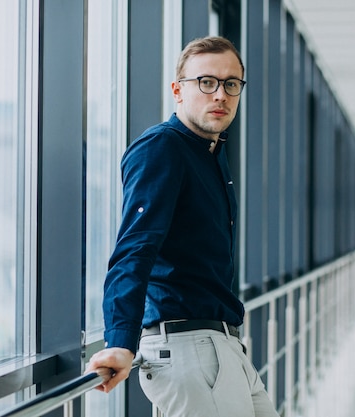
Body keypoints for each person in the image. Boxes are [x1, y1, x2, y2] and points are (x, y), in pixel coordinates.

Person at [85, 36, 279, 417]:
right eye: (206, 82)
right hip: (189, 349)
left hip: (221, 346)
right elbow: (134, 249)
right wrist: (120, 341)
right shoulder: (162, 149)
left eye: (231, 84)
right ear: (178, 90)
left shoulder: (210, 155)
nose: (220, 95)